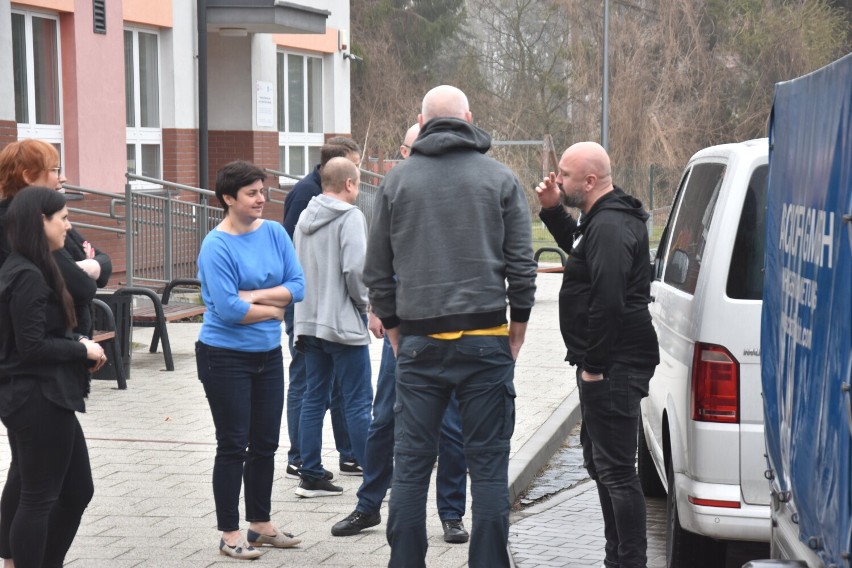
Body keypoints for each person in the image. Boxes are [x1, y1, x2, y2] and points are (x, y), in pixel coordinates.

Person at [364, 85, 537, 568]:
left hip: (418, 344)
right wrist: (516, 329)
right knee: (487, 468)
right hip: (486, 342)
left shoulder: (396, 183)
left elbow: (377, 271)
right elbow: (521, 267)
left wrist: (396, 330)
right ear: (468, 117)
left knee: (412, 465)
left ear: (421, 122)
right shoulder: (501, 179)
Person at [331, 123, 470, 543]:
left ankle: (451, 514)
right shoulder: (396, 188)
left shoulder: (458, 188)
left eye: (416, 148)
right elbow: (380, 253)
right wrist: (379, 308)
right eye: (410, 148)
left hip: (450, 326)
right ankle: (369, 505)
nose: (412, 155)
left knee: (450, 424)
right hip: (403, 327)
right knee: (384, 417)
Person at [534, 141, 660, 568]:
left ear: (589, 181)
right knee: (602, 464)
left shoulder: (609, 224)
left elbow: (609, 300)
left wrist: (594, 367)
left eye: (565, 175)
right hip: (610, 362)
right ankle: (616, 557)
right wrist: (553, 210)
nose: (558, 178)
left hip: (614, 365)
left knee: (618, 471)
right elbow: (579, 247)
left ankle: (628, 561)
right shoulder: (602, 218)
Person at [196, 161, 304, 559]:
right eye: (252, 193)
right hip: (223, 357)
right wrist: (275, 308)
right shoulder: (216, 245)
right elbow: (226, 310)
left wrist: (255, 297)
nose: (261, 199)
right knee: (233, 445)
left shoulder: (275, 233)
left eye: (263, 191)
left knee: (265, 444)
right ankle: (229, 534)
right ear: (229, 199)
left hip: (267, 356)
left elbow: (299, 286)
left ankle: (260, 525)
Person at [0, 187, 107, 568]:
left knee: (78, 490)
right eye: (62, 217)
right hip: (35, 398)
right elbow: (30, 347)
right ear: (39, 221)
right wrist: (82, 350)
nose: (69, 224)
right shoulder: (25, 273)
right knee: (39, 497)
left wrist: (77, 342)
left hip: (48, 395)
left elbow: (40, 332)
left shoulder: (37, 265)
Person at [282, 138, 363, 479]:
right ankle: (370, 471)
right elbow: (355, 271)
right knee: (354, 398)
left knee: (317, 394)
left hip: (309, 319)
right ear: (347, 182)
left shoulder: (306, 215)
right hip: (338, 322)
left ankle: (314, 468)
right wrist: (365, 305)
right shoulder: (348, 215)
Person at [0, 139, 112, 337]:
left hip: (68, 343)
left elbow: (105, 264)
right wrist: (87, 266)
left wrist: (89, 266)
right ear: (29, 177)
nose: (63, 178)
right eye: (54, 170)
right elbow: (82, 287)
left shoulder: (52, 216)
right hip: (49, 346)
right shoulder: (22, 225)